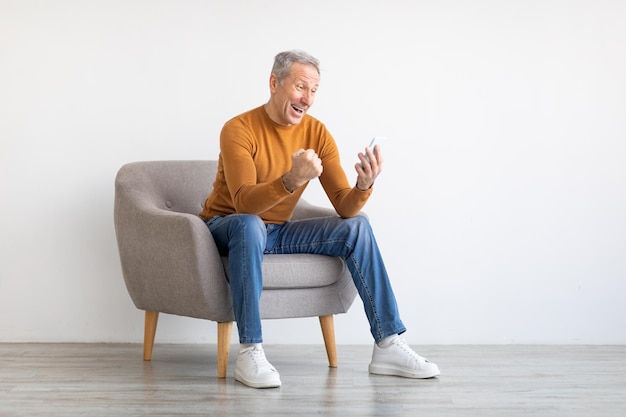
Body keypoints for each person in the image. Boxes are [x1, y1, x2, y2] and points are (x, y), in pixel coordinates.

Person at [199, 50, 440, 388]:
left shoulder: (317, 133)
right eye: (301, 87)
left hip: (276, 231)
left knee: (358, 226)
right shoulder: (238, 129)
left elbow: (345, 206)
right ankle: (250, 350)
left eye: (314, 91)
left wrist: (363, 185)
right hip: (228, 226)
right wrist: (290, 181)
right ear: (274, 83)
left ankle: (387, 343)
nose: (307, 99)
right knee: (250, 224)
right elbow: (243, 203)